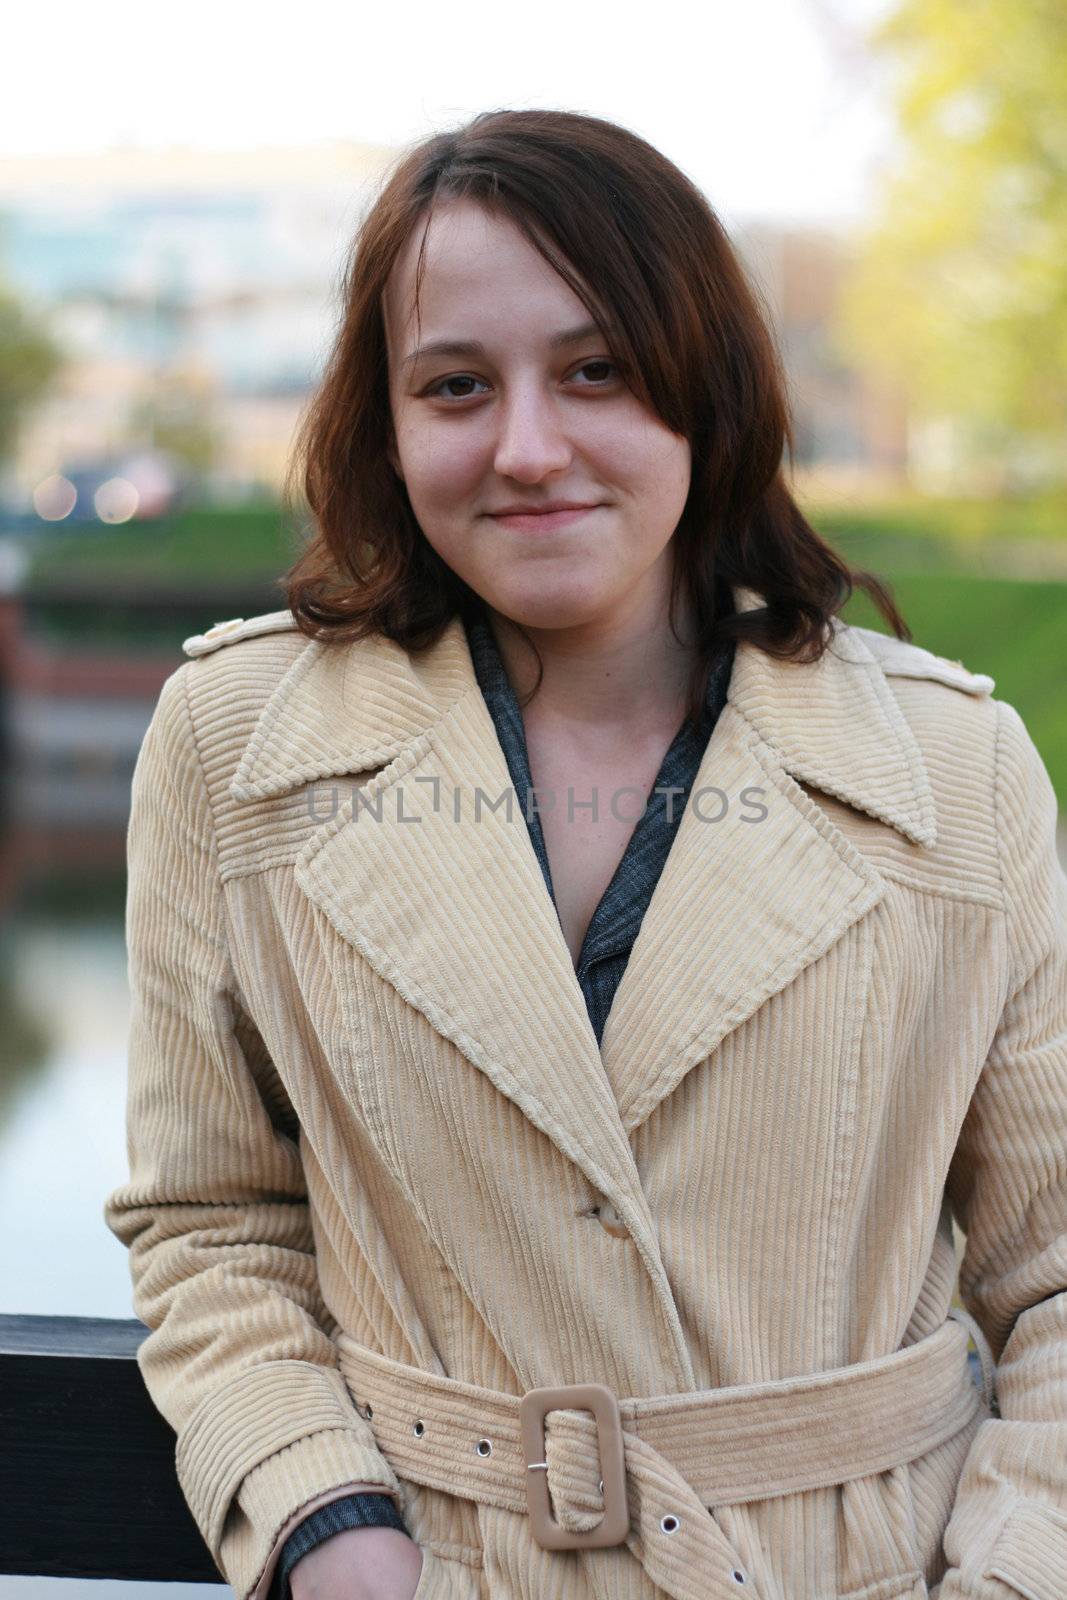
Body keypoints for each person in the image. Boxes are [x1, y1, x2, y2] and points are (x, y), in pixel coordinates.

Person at [103, 108, 1067, 1600]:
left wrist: (1010, 1581)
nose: (528, 447)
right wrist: (318, 1518)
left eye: (598, 369)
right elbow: (211, 1221)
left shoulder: (958, 770)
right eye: (456, 386)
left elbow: (1056, 1273)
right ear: (388, 421)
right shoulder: (233, 748)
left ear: (708, 384)